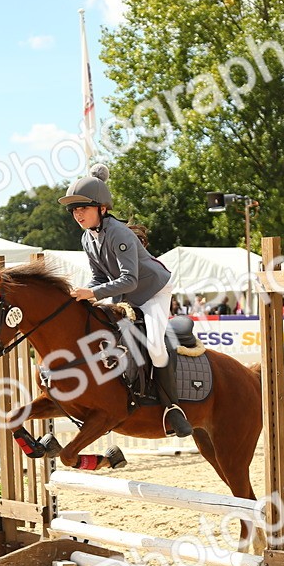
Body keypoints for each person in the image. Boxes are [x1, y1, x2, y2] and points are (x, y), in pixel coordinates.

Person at [59, 163, 191, 437]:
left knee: (155, 346)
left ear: (102, 208)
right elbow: (98, 277)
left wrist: (94, 294)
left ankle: (173, 408)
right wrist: (83, 294)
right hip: (126, 293)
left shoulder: (119, 233)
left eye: (83, 208)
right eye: (74, 210)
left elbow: (129, 279)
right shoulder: (87, 238)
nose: (78, 214)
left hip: (153, 290)